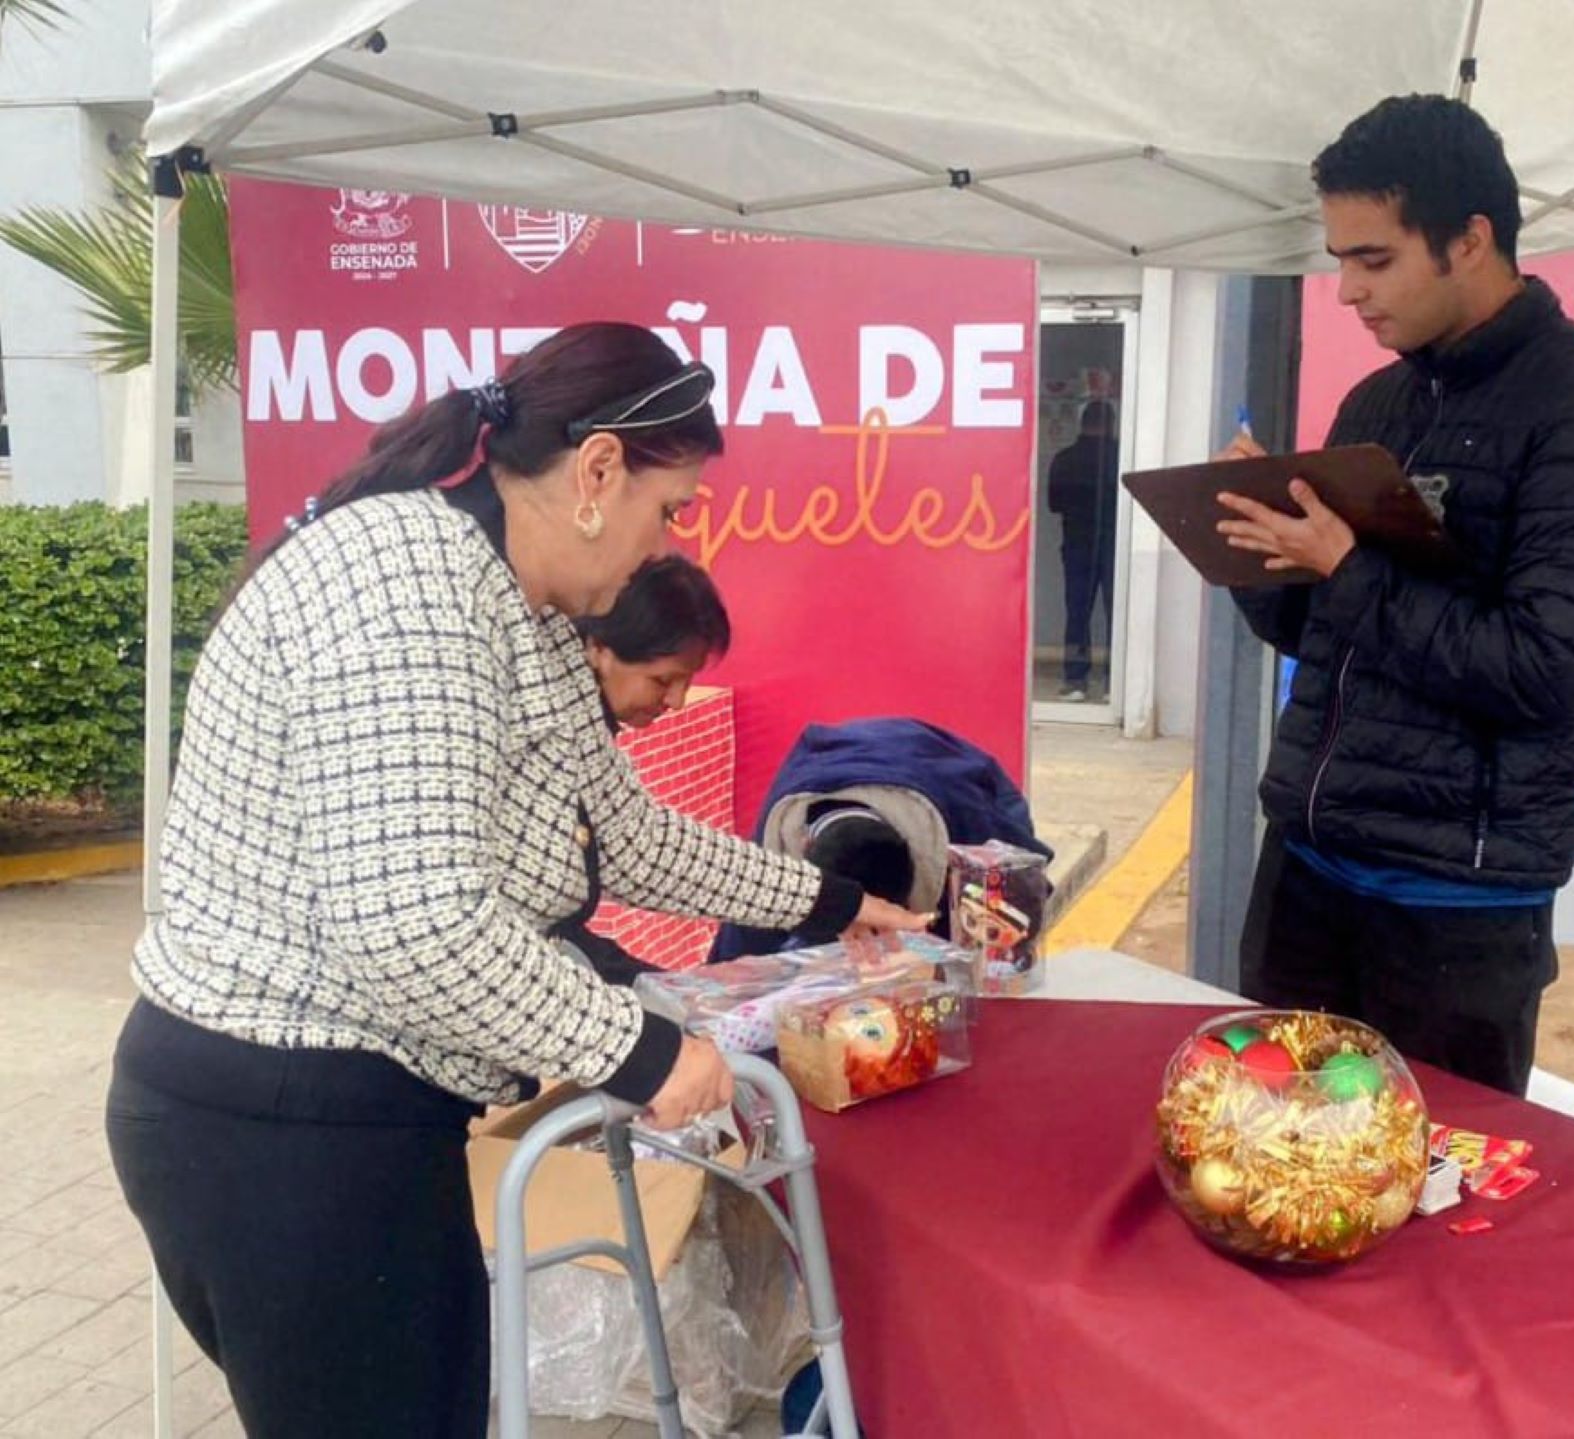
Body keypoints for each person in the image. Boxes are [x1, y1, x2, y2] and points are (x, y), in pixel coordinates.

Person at [104, 323, 926, 1438]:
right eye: (671, 506)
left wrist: (833, 901)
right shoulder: (406, 586)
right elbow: (413, 922)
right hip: (277, 1123)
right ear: (597, 472)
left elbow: (623, 835)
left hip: (352, 1117)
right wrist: (643, 1051)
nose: (668, 541)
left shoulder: (522, 606)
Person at [1216, 95, 1574, 1095]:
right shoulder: (1381, 401)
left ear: (1470, 241)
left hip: (1455, 906)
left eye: (1372, 260)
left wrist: (1345, 564)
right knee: (1268, 1158)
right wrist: (1261, 548)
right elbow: (1320, 632)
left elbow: (1550, 669)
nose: (1346, 292)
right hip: (1306, 864)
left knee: (1432, 1195)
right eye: (1338, 258)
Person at [709, 716, 1052, 962]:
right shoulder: (777, 844)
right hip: (841, 767)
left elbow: (1027, 897)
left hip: (937, 773)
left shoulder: (971, 827)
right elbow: (734, 967)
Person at [551, 551, 736, 984]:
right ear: (599, 648)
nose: (675, 702)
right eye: (662, 681)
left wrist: (826, 901)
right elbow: (640, 851)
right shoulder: (554, 730)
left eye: (685, 683)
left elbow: (645, 847)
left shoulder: (587, 725)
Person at [1047, 398, 1119, 700]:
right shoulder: (1122, 457)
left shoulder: (1065, 458)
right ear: (1112, 425)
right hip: (1114, 542)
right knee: (1117, 611)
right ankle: (1114, 684)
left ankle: (1076, 680)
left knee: (1077, 611)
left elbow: (1054, 504)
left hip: (1077, 541)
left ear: (1082, 424)